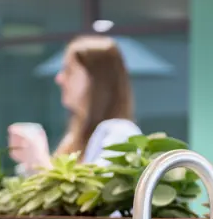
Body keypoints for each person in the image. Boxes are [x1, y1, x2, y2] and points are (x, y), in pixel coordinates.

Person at [8, 35, 141, 172]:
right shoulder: (74, 137)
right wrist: (29, 162)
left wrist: (39, 160)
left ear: (95, 78)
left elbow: (93, 190)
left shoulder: (121, 132)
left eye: (69, 71)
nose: (59, 79)